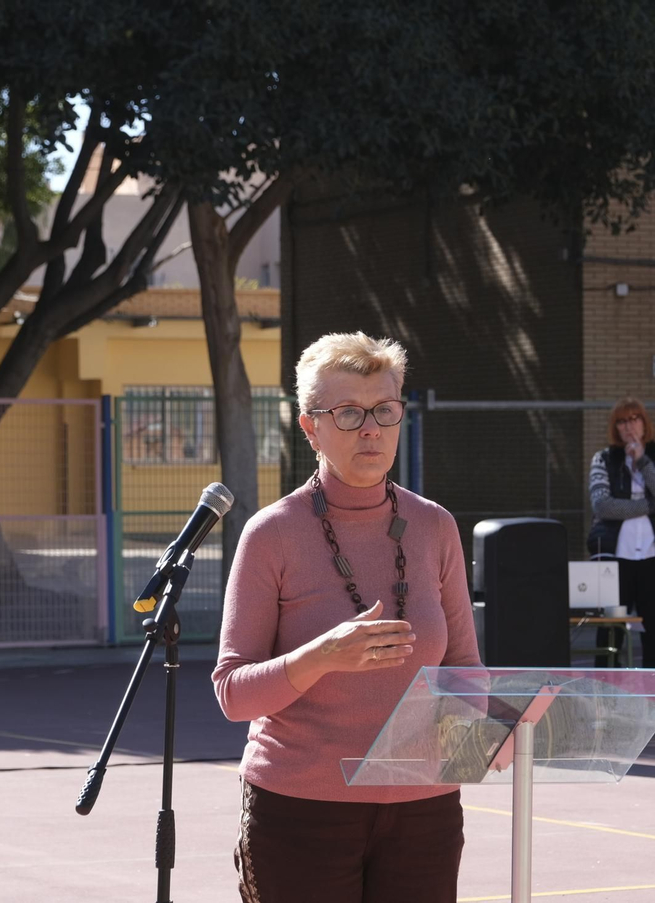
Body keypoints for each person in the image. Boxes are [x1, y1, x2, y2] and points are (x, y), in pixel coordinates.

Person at [212, 331, 481, 903]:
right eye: (349, 412)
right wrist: (321, 657)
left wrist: (490, 732)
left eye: (385, 410)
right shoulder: (272, 534)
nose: (371, 429)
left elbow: (463, 666)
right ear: (310, 427)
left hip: (423, 813)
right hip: (302, 813)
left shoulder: (435, 527)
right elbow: (233, 694)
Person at [585, 397, 655, 728]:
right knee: (610, 632)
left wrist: (643, 462)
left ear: (645, 424)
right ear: (615, 428)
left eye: (634, 419)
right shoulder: (603, 459)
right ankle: (606, 708)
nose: (629, 426)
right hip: (612, 562)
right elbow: (602, 505)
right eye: (622, 422)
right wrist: (648, 505)